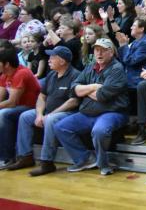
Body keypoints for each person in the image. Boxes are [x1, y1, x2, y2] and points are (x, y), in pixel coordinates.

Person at [53, 38, 128, 176]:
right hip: (88, 112)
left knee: (99, 130)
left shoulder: (117, 69)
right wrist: (93, 87)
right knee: (60, 127)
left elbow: (103, 95)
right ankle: (85, 159)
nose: (99, 53)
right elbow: (73, 88)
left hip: (112, 112)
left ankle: (104, 164)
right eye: (96, 50)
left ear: (111, 52)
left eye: (103, 50)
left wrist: (84, 91)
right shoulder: (90, 67)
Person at [8, 46, 80, 174]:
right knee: (25, 116)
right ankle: (25, 156)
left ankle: (47, 162)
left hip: (68, 113)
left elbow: (73, 101)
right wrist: (39, 114)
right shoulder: (52, 74)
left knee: (51, 119)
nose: (49, 60)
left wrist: (50, 114)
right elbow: (42, 96)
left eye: (52, 57)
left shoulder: (75, 75)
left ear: (62, 61)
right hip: (48, 111)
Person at [115, 18, 146, 145]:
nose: (130, 28)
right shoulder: (137, 42)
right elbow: (125, 60)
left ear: (141, 29)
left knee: (123, 89)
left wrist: (123, 45)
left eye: (134, 26)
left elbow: (130, 61)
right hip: (134, 81)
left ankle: (142, 131)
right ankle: (120, 128)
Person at [0, 40, 41, 169]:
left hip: (31, 106)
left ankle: (7, 158)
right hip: (18, 107)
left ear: (6, 64)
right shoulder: (4, 75)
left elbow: (12, 102)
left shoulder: (21, 73)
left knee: (4, 114)